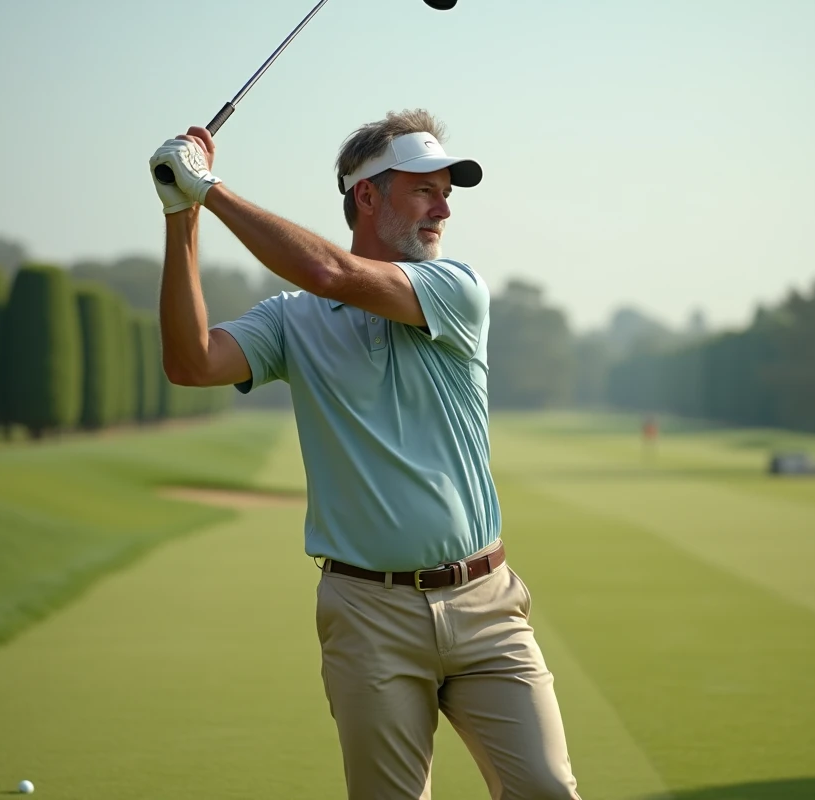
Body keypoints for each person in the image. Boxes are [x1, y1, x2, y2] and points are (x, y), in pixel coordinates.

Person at [148, 109, 581, 799]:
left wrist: (210, 189)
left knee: (547, 789)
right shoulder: (291, 319)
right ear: (367, 195)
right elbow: (191, 361)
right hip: (365, 612)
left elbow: (331, 270)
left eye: (447, 192)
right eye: (423, 190)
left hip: (485, 607)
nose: (442, 208)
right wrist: (182, 213)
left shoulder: (455, 289)